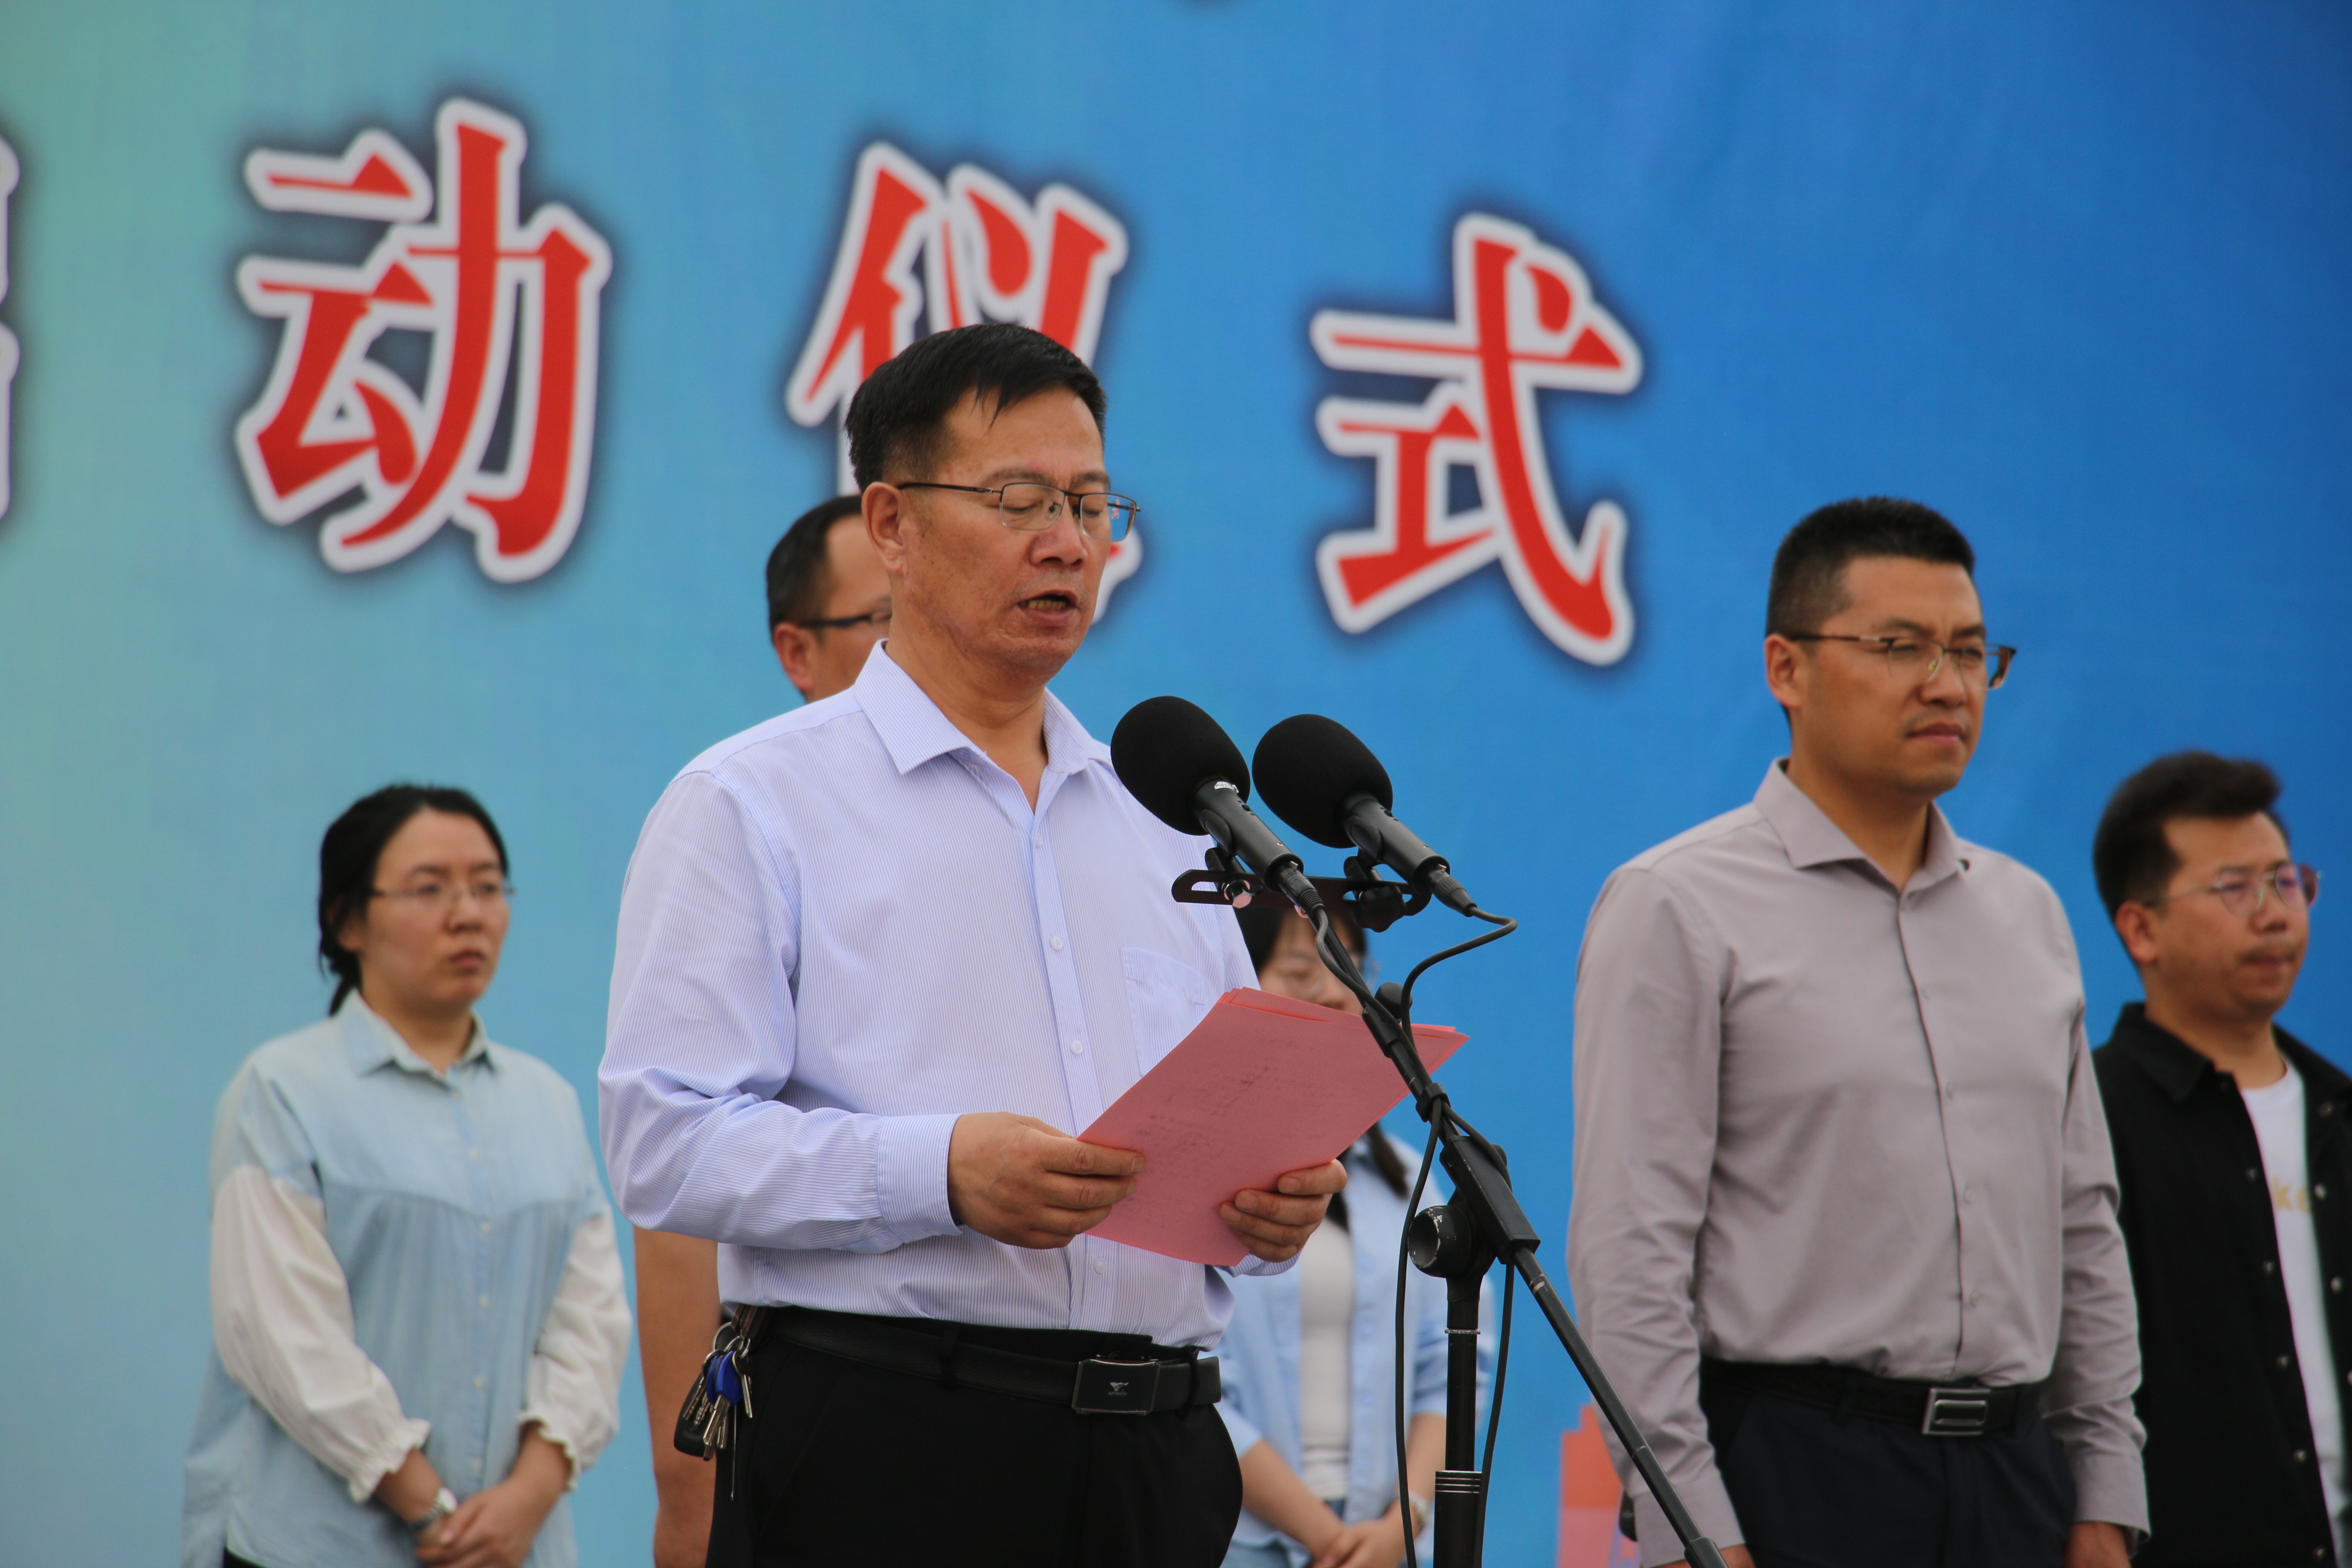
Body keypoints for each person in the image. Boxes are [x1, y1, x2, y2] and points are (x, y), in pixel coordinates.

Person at [598, 322, 1346, 1568]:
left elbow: (1212, 1151)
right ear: (891, 524)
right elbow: (662, 1143)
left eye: (1091, 504)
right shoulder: (753, 802)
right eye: (1019, 501)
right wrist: (938, 1172)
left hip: (1159, 1456)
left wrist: (1267, 1208)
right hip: (894, 1443)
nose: (1068, 542)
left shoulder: (1166, 824)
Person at [1566, 498, 2145, 1568]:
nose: (1948, 684)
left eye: (1970, 652)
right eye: (1899, 647)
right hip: (1797, 1470)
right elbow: (1631, 1249)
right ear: (1786, 668)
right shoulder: (1678, 905)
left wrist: (2106, 1489)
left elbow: (2081, 1225)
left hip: (2019, 1479)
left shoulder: (2027, 913)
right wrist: (1692, 1527)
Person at [183, 785, 631, 1568]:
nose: (468, 915)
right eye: (430, 890)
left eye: (487, 887)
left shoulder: (548, 1103)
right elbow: (283, 1338)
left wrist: (529, 1497)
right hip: (311, 1546)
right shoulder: (284, 1091)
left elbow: (589, 1325)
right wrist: (433, 1512)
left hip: (514, 1544)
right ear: (347, 921)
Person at [631, 494, 894, 1568]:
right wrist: (689, 1490)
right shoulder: (748, 813)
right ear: (798, 651)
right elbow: (680, 1187)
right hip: (817, 1431)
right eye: (880, 618)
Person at [2089, 753, 2338, 1565]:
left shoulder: (2338, 1114)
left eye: (2286, 882)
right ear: (2140, 929)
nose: (2275, 916)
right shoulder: (2088, 1121)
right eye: (2235, 889)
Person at [1216, 901, 1456, 1568]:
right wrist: (1328, 1542)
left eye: (1346, 972)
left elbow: (1450, 1366)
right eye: (1299, 971)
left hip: (1391, 1544)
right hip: (1239, 1543)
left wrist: (1404, 1521)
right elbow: (1189, 1374)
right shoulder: (1200, 1168)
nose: (1329, 992)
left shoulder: (1404, 1176)